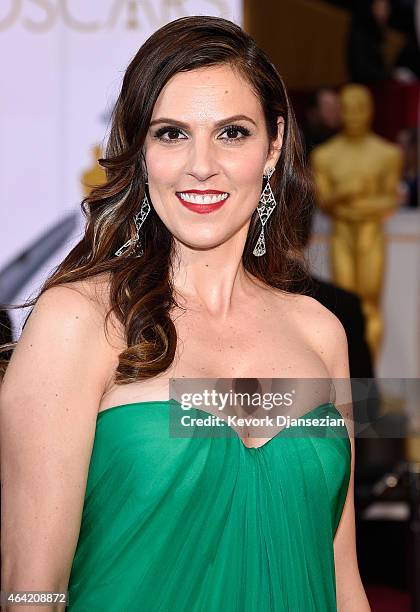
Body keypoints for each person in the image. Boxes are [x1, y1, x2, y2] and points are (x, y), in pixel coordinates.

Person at [0, 16, 371, 612]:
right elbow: (31, 589)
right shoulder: (79, 321)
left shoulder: (319, 332)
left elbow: (343, 579)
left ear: (273, 146)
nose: (202, 164)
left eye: (232, 133)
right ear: (141, 152)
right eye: (172, 134)